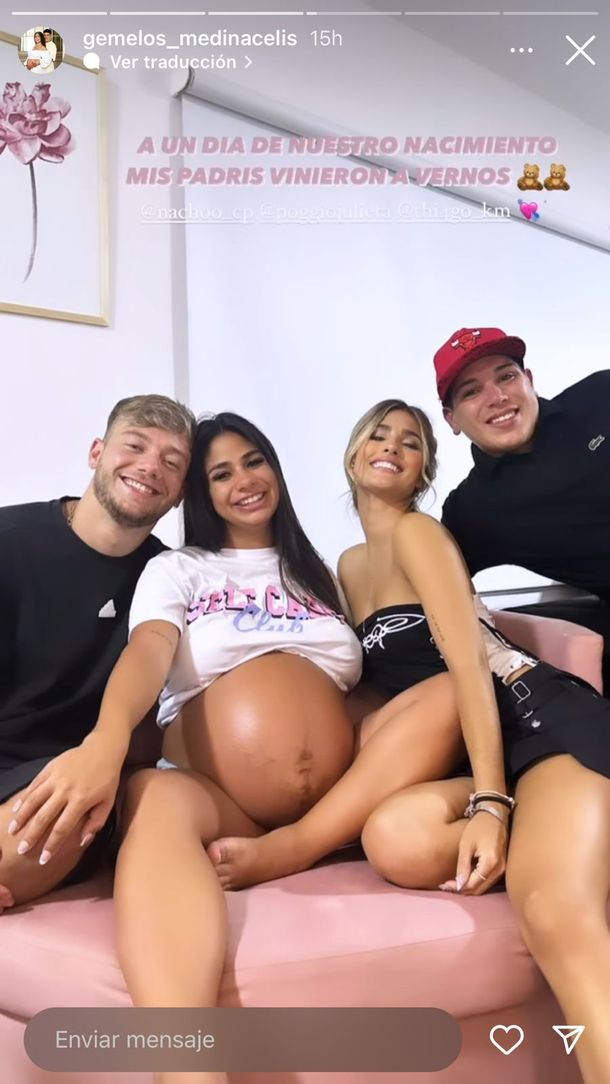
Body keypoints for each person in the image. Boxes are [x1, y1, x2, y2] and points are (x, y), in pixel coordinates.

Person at [209, 399, 610, 1084]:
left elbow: (466, 664)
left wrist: (491, 802)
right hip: (460, 749)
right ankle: (567, 837)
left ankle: (561, 847)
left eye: (412, 441)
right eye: (379, 433)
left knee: (554, 914)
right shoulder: (345, 568)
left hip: (532, 717)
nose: (393, 445)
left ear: (424, 470)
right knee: (396, 838)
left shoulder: (420, 534)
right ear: (353, 453)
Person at [0, 394, 195, 914]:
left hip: (73, 777)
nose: (150, 466)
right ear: (96, 453)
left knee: (53, 821)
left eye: (172, 462)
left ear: (180, 492)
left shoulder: (171, 581)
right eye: (135, 446)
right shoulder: (10, 539)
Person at [435, 326, 610, 692]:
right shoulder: (473, 511)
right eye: (471, 392)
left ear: (528, 379)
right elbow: (434, 592)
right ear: (451, 419)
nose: (497, 397)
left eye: (506, 377)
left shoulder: (600, 394)